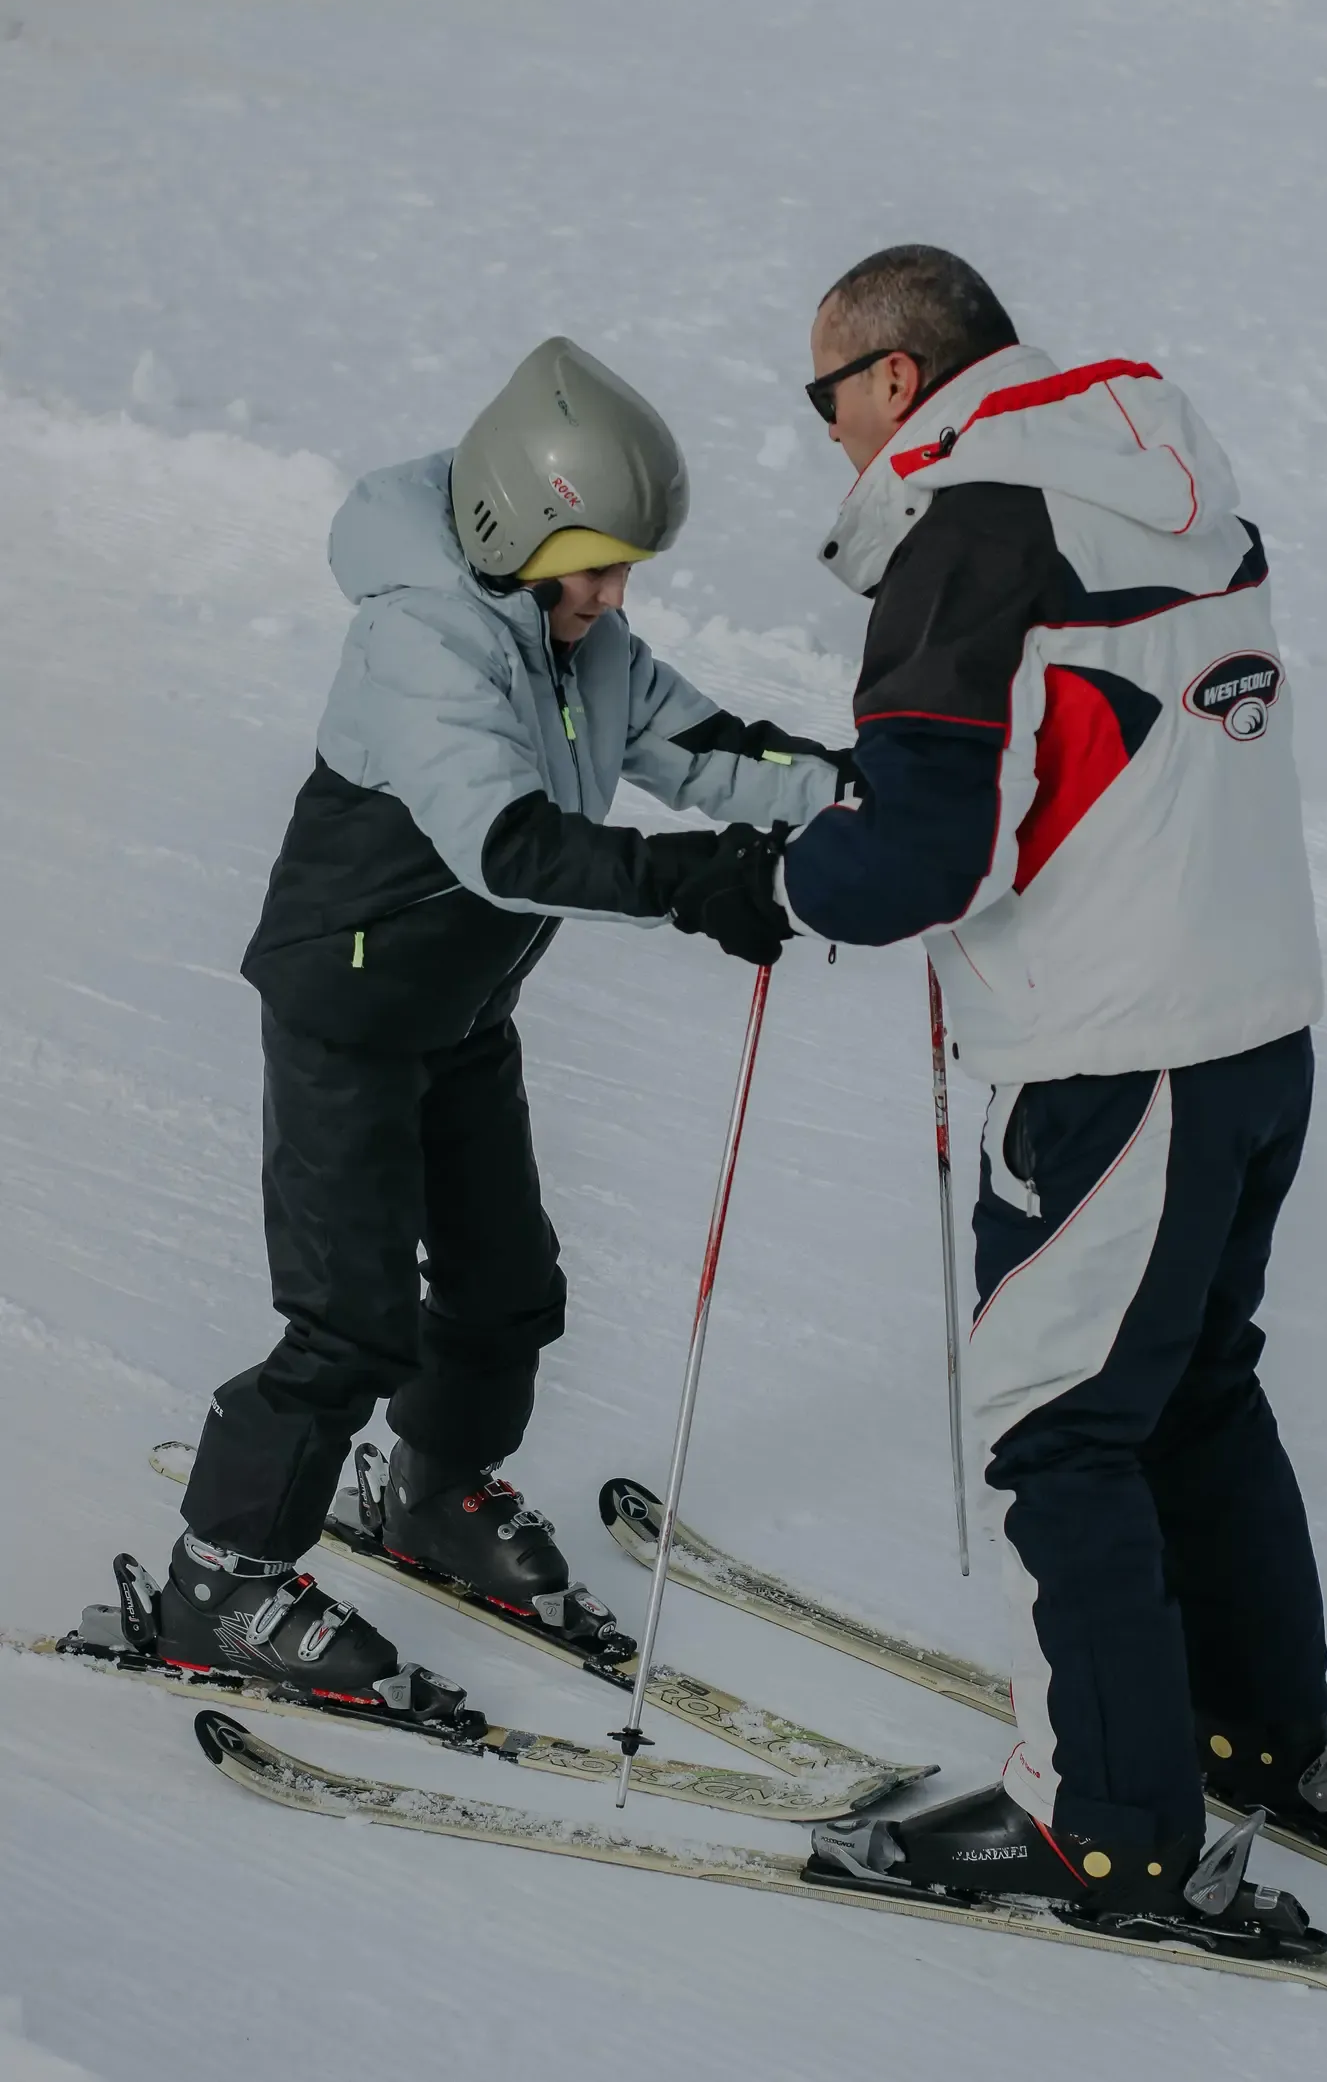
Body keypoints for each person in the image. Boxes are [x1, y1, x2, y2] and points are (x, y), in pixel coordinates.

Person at [668, 245, 1327, 1953]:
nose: (831, 444)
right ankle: (1255, 1733)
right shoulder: (1164, 469)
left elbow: (930, 854)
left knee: (1055, 1423)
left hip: (1108, 1051)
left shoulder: (972, 531)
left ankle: (1108, 1826)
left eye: (824, 402)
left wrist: (782, 884)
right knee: (1190, 1385)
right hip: (1256, 1025)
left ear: (891, 380)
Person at [97, 337, 850, 1721]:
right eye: (599, 567)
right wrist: (699, 884)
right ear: (516, 529)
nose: (615, 599)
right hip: (347, 1014)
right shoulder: (421, 643)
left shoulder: (581, 641)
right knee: (349, 1319)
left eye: (625, 570)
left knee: (506, 1287)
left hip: (458, 1012)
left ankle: (431, 1494)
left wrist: (852, 795)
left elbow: (702, 746)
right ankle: (224, 1573)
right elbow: (511, 846)